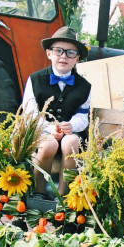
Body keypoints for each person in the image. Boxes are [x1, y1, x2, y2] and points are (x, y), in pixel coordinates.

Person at [22, 26, 92, 196]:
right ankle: (37, 192)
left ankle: (64, 196)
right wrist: (49, 128)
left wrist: (71, 125)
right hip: (42, 130)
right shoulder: (35, 80)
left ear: (77, 58)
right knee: (49, 144)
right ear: (49, 54)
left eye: (70, 53)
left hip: (70, 132)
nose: (63, 56)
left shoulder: (84, 86)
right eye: (58, 51)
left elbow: (83, 116)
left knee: (70, 143)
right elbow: (29, 114)